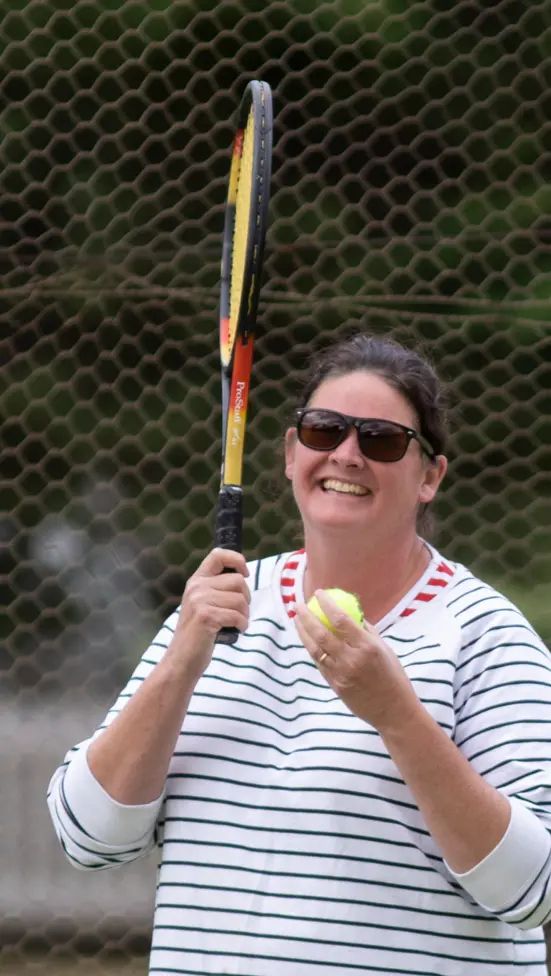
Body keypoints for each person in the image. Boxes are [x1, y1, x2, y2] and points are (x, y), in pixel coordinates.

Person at [47, 332, 551, 975]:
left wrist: (397, 716)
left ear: (430, 476)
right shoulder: (215, 608)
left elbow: (531, 892)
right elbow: (87, 838)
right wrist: (181, 662)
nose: (346, 455)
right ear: (291, 453)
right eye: (323, 430)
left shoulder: (484, 636)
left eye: (382, 439)